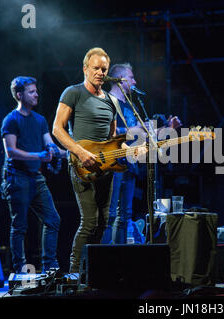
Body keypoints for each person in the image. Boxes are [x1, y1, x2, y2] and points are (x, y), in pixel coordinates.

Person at [52, 48, 145, 273]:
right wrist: (80, 152)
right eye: (96, 68)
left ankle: (95, 271)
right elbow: (57, 129)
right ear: (85, 69)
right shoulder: (72, 93)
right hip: (81, 164)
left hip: (106, 166)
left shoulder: (112, 100)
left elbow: (113, 139)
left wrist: (130, 150)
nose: (100, 73)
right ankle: (75, 273)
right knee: (89, 221)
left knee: (105, 220)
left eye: (104, 69)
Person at [103, 63, 181, 244]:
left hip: (130, 164)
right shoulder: (106, 102)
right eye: (131, 77)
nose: (135, 81)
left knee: (125, 216)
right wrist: (134, 129)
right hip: (113, 165)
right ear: (120, 80)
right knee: (110, 214)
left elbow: (144, 137)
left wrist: (167, 128)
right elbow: (108, 133)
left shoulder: (131, 107)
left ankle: (118, 259)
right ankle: (102, 258)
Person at [1, 76, 63, 273]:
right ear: (19, 95)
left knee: (53, 219)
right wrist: (39, 155)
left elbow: (49, 144)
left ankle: (49, 268)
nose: (36, 94)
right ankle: (20, 271)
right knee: (20, 226)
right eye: (31, 91)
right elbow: (10, 151)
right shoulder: (11, 120)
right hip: (17, 177)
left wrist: (71, 152)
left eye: (36, 91)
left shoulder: (40, 120)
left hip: (36, 178)